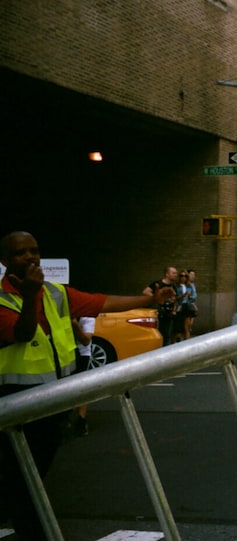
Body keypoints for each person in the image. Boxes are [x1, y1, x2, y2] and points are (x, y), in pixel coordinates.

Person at [0, 231, 174, 540]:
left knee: (31, 476)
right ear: (4, 261)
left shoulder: (55, 293)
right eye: (19, 253)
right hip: (15, 404)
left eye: (34, 250)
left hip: (52, 404)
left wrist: (150, 299)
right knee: (25, 481)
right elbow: (23, 333)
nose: (29, 257)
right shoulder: (3, 299)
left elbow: (102, 302)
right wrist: (29, 295)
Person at [142, 266, 178, 345]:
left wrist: (174, 310)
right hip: (158, 312)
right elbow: (145, 292)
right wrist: (156, 298)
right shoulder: (157, 284)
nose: (176, 275)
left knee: (167, 335)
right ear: (167, 274)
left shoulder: (173, 286)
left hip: (168, 314)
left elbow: (175, 299)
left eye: (176, 273)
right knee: (158, 333)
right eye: (173, 273)